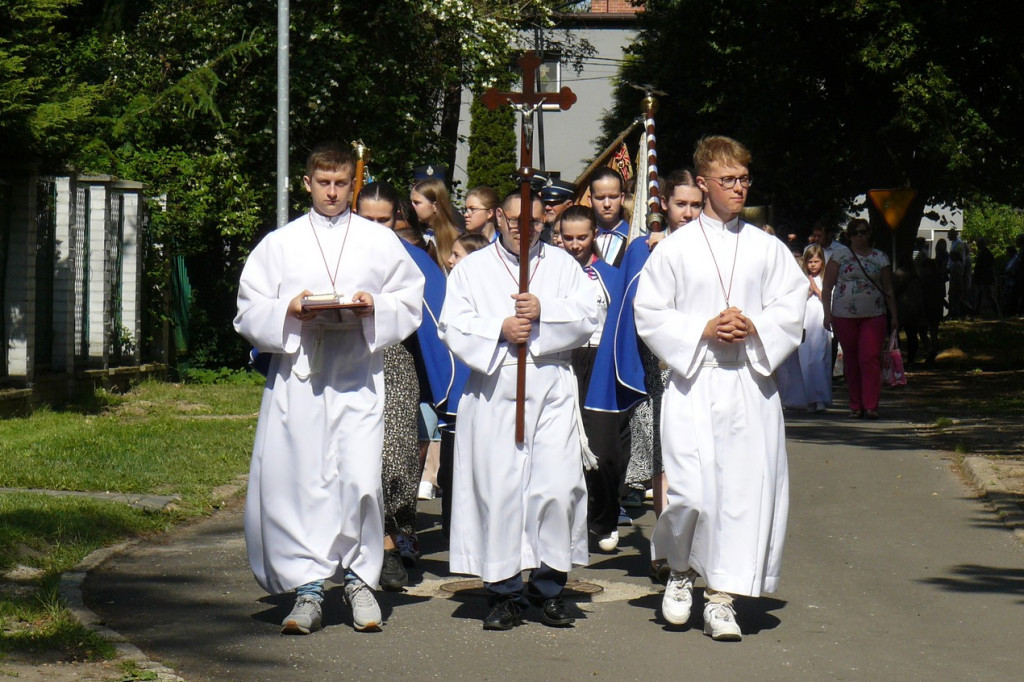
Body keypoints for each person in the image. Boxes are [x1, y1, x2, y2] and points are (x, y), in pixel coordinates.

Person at [234, 142, 424, 634]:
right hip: (301, 374)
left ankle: (362, 579)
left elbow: (409, 298)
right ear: (307, 183)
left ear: (352, 184)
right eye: (324, 183)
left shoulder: (380, 242)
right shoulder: (280, 243)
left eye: (342, 184)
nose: (333, 192)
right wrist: (290, 310)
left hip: (358, 371)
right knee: (302, 480)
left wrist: (372, 307)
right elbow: (249, 309)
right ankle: (309, 588)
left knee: (359, 479)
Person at [634, 136, 807, 641]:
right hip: (695, 380)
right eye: (728, 180)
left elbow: (792, 308)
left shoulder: (767, 248)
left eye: (744, 179)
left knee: (743, 495)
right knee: (691, 493)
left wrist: (753, 326)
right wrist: (703, 330)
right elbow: (650, 312)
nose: (738, 188)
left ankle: (722, 598)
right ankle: (681, 572)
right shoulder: (675, 249)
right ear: (703, 183)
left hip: (751, 384)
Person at [438, 190, 598, 630]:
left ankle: (549, 586)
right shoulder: (472, 268)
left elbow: (589, 316)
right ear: (497, 218)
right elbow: (451, 324)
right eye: (513, 220)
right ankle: (504, 591)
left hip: (550, 386)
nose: (522, 230)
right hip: (495, 388)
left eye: (532, 222)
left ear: (545, 220)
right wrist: (500, 328)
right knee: (501, 491)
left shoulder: (564, 266)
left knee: (557, 487)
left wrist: (544, 311)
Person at [558, 204, 629, 553]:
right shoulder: (551, 273)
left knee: (603, 447)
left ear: (595, 235)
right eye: (567, 238)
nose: (574, 245)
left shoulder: (611, 276)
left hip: (601, 359)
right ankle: (569, 519)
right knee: (562, 443)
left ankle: (605, 516)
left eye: (581, 237)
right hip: (563, 357)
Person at [822, 218, 898, 419]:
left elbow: (888, 288)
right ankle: (856, 405)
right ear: (849, 236)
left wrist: (894, 316)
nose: (860, 236)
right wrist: (826, 314)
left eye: (864, 232)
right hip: (844, 315)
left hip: (874, 314)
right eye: (856, 233)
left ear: (869, 234)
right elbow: (827, 286)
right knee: (852, 359)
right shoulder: (840, 256)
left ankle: (871, 405)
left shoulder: (880, 257)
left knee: (870, 358)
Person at [799, 245, 832, 412]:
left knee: (818, 358)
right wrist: (807, 292)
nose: (813, 265)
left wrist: (816, 290)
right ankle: (809, 398)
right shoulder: (801, 279)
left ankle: (820, 397)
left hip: (819, 320)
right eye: (810, 262)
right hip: (805, 322)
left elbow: (827, 298)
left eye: (816, 261)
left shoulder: (825, 278)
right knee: (805, 359)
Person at [410, 177, 460, 274]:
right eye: (411, 202)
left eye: (417, 203)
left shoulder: (455, 239)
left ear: (435, 206)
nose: (412, 207)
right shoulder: (413, 234)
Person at [589, 167, 630, 267]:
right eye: (600, 198)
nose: (607, 204)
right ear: (590, 200)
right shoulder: (582, 238)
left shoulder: (633, 236)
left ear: (622, 198)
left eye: (613, 197)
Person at [971, 237, 1001, 318]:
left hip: (985, 279)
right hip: (984, 278)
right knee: (981, 296)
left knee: (988, 295)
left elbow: (983, 267)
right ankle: (977, 312)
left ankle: (996, 311)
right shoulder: (986, 253)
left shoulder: (985, 254)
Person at [540, 178, 576, 244]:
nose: (547, 207)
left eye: (553, 203)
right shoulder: (538, 233)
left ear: (569, 205)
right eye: (545, 203)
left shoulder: (577, 231)